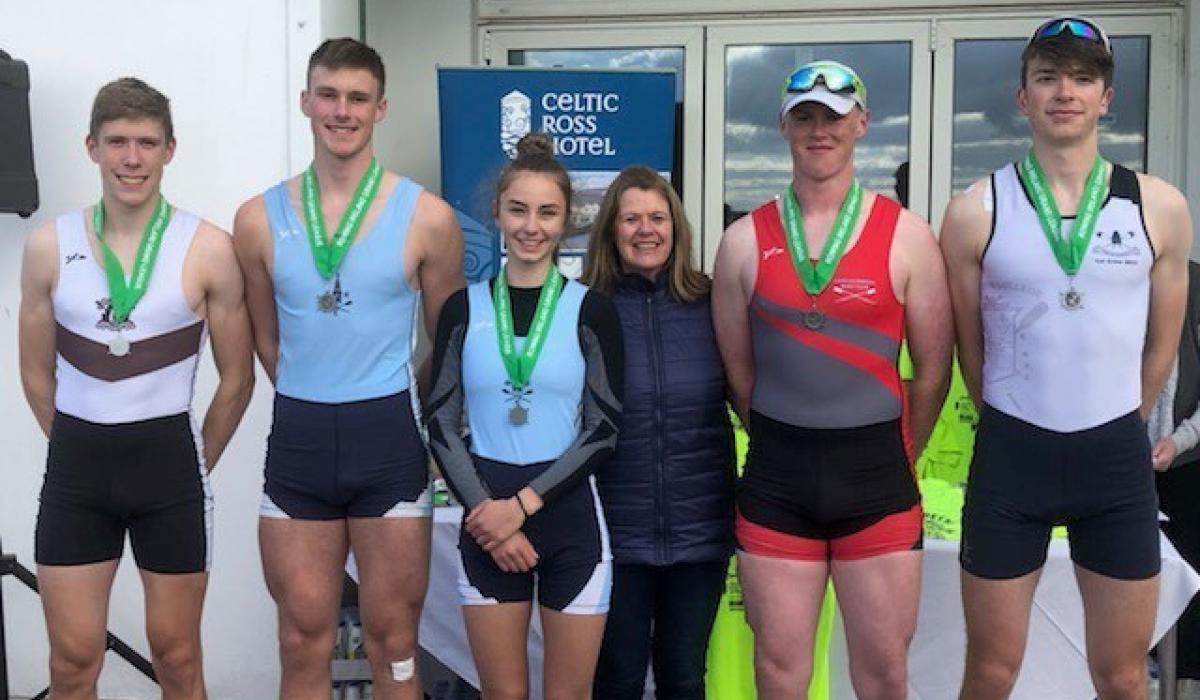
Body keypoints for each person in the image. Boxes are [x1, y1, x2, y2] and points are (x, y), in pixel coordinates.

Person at [939, 16, 1193, 700]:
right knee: (991, 672)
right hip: (1012, 458)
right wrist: (1015, 415)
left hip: (1113, 460)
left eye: (1083, 78)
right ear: (1023, 97)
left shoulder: (1160, 207)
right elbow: (971, 349)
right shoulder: (974, 210)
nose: (1065, 92)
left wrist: (1123, 418)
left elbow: (1161, 345)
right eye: (1048, 77)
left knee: (1120, 676)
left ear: (1106, 97)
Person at [711, 60, 952, 700]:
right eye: (806, 117)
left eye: (835, 117)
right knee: (780, 675)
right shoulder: (741, 241)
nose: (821, 130)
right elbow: (739, 372)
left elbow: (933, 369)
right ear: (784, 127)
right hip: (777, 476)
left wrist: (904, 449)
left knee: (882, 677)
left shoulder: (908, 237)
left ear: (862, 124)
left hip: (877, 473)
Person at [232, 38, 464, 700]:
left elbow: (445, 345)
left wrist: (389, 399)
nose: (342, 111)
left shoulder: (428, 218)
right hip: (301, 440)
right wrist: (319, 392)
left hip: (387, 440)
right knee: (301, 639)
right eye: (329, 95)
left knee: (394, 643)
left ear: (380, 108)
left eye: (357, 98)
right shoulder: (256, 220)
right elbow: (269, 342)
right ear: (306, 102)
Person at [18, 77, 255, 700]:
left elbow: (238, 378)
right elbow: (35, 372)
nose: (132, 158)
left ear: (169, 149)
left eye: (146, 142)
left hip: (169, 474)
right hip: (77, 474)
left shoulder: (208, 248)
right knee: (72, 662)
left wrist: (194, 461)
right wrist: (78, 437)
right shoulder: (50, 246)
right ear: (91, 146)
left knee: (177, 661)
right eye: (117, 141)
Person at [425, 133, 623, 700]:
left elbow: (605, 428)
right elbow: (439, 421)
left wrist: (520, 507)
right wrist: (490, 515)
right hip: (486, 521)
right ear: (497, 213)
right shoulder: (463, 308)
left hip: (568, 520)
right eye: (518, 209)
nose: (531, 226)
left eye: (546, 212)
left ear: (566, 222)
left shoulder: (592, 310)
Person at [581, 165, 735, 700]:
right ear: (610, 231)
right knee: (617, 678)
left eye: (657, 217)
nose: (645, 230)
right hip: (611, 532)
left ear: (676, 228)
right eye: (630, 219)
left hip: (700, 528)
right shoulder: (582, 309)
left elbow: (754, 393)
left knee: (685, 676)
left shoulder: (713, 302)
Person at [1148, 260, 1200, 700]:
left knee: (1187, 581)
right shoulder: (1097, 279)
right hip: (1112, 463)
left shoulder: (1196, 286)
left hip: (1185, 466)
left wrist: (1180, 442)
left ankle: (1180, 684)